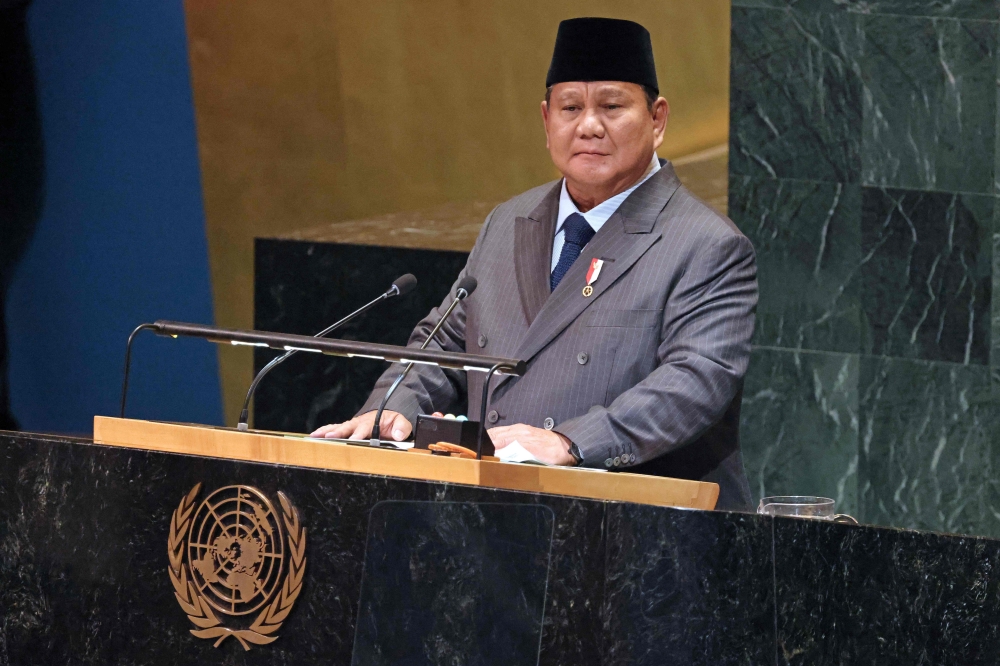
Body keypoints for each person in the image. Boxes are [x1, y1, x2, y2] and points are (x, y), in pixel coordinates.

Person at [312, 17, 758, 510]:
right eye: (571, 108)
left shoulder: (707, 245)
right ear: (547, 121)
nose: (589, 126)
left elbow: (695, 381)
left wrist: (571, 441)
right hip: (494, 516)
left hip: (635, 526)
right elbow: (446, 342)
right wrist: (393, 406)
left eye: (611, 107)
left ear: (657, 119)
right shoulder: (508, 221)